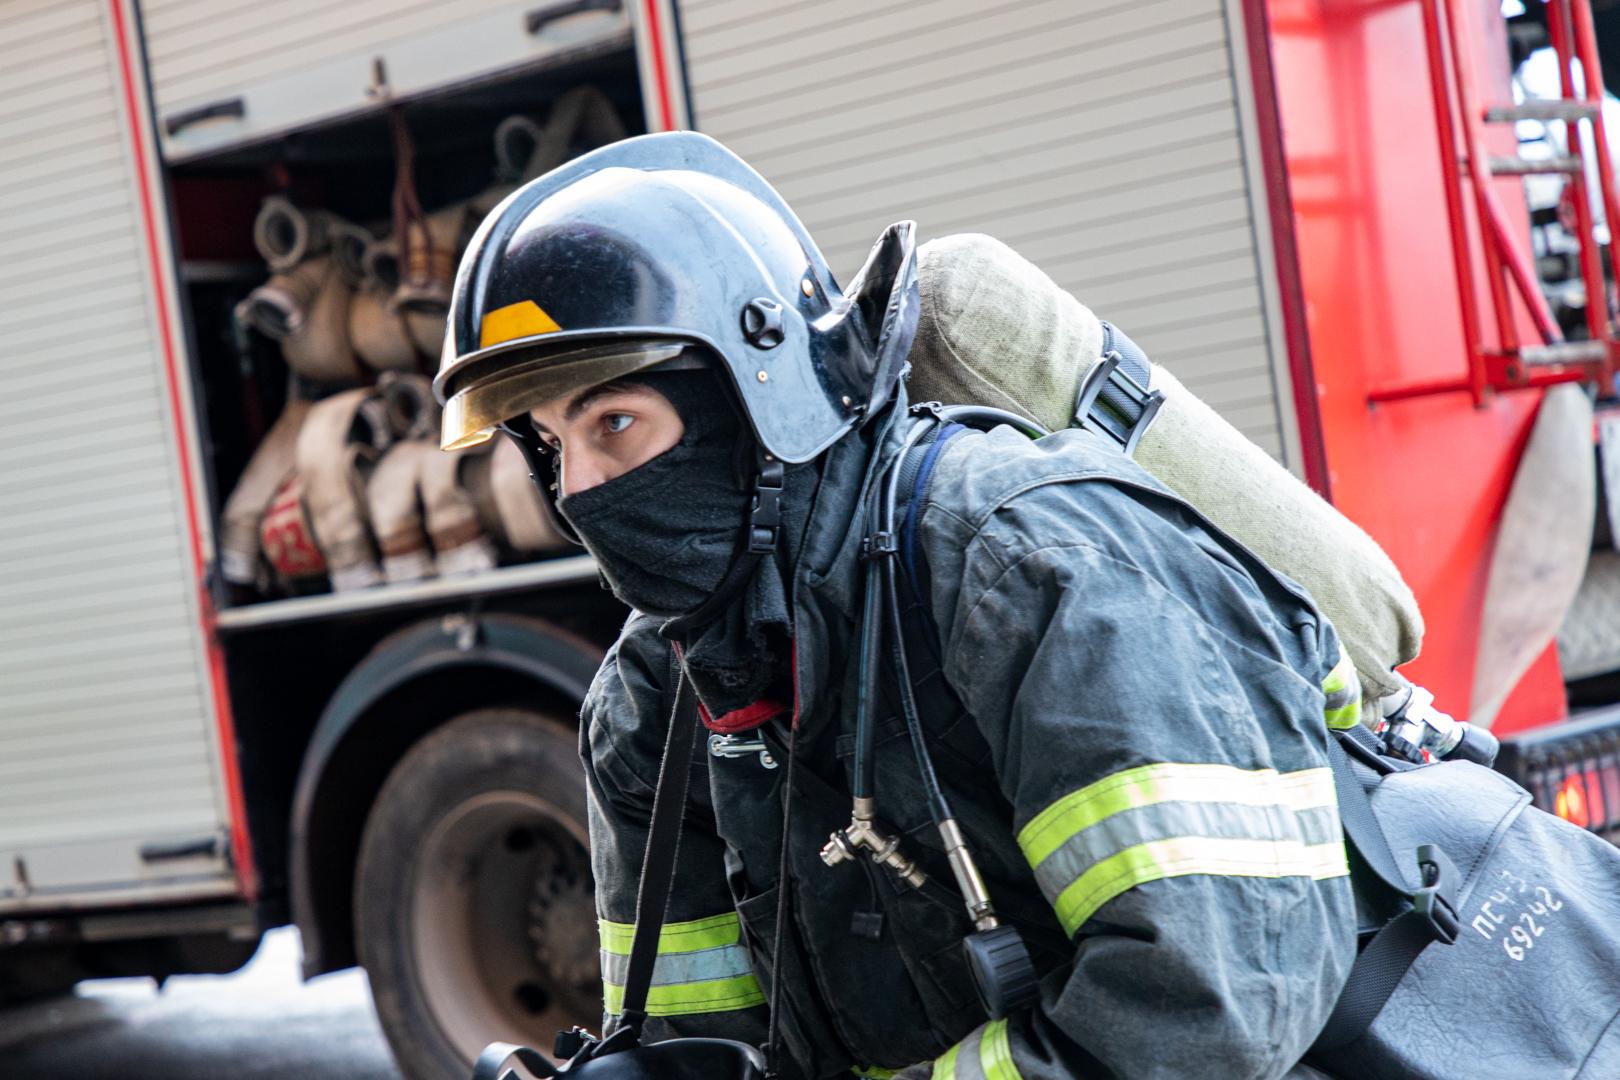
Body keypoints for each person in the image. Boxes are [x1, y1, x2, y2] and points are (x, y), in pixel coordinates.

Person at [436, 132, 1355, 1080]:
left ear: (756, 397)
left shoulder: (1027, 569)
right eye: (549, 446)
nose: (582, 492)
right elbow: (707, 1045)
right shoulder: (650, 709)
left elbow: (1207, 1012)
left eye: (614, 424)